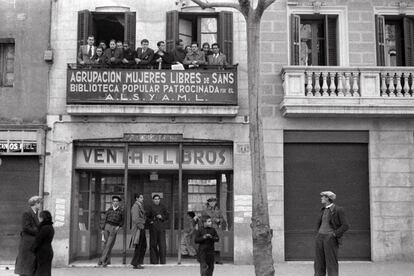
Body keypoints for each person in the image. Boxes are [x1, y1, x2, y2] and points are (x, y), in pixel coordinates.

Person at [314, 191, 349, 276]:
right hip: (319, 238)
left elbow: (345, 225)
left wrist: (334, 234)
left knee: (331, 262)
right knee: (319, 262)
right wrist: (317, 234)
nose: (321, 198)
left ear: (327, 198)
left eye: (323, 197)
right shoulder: (323, 210)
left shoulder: (338, 210)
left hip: (330, 239)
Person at [15, 195, 42, 276]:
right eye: (39, 203)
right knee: (26, 264)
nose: (40, 205)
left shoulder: (35, 213)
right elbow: (26, 227)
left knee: (31, 264)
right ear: (35, 204)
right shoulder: (27, 213)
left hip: (32, 242)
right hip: (27, 243)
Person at [98, 195, 124, 267]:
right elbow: (105, 219)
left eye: (116, 201)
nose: (115, 202)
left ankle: (101, 260)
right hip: (107, 226)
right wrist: (103, 229)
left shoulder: (121, 210)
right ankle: (107, 261)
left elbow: (122, 221)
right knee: (107, 244)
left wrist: (118, 227)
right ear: (112, 202)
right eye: (114, 201)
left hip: (114, 227)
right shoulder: (109, 210)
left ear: (119, 202)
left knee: (109, 244)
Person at [201, 197, 226, 264]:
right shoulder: (205, 210)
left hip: (216, 229)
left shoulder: (218, 210)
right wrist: (211, 220)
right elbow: (202, 220)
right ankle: (206, 260)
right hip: (208, 229)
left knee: (217, 245)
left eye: (214, 202)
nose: (212, 203)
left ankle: (217, 260)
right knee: (207, 245)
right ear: (208, 203)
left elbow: (222, 219)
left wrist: (219, 220)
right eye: (211, 202)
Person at [146, 194, 169, 264]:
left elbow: (167, 216)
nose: (157, 200)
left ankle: (162, 261)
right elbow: (146, 217)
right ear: (153, 200)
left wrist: (161, 217)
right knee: (153, 245)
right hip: (153, 228)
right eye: (155, 199)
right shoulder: (150, 207)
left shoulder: (163, 207)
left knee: (162, 245)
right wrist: (151, 221)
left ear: (160, 200)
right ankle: (154, 261)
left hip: (161, 228)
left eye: (158, 199)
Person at [31, 210, 54, 276]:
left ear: (42, 218)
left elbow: (38, 240)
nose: (39, 219)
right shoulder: (50, 227)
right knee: (46, 271)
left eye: (40, 217)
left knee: (41, 272)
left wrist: (32, 249)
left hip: (43, 252)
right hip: (48, 251)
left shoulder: (44, 228)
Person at [130, 194, 147, 269]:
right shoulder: (135, 206)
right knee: (139, 246)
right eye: (141, 197)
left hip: (141, 227)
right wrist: (141, 226)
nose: (142, 199)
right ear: (137, 198)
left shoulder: (140, 206)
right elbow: (135, 218)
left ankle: (138, 262)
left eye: (142, 197)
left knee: (143, 245)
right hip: (138, 228)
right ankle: (135, 263)